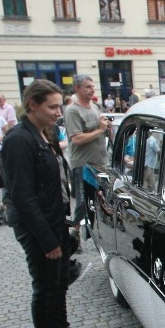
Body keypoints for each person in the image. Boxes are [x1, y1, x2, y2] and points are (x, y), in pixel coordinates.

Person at [2, 79, 102, 328]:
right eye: (52, 106)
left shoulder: (43, 133)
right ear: (32, 105)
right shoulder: (19, 139)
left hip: (54, 221)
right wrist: (48, 241)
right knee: (46, 288)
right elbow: (22, 195)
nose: (59, 111)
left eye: (60, 105)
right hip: (38, 228)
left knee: (59, 287)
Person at [64, 74, 111, 250]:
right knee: (83, 201)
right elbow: (77, 139)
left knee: (103, 199)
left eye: (92, 86)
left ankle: (101, 232)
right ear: (77, 89)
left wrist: (106, 129)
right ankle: (74, 234)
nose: (92, 89)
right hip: (83, 164)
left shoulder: (95, 107)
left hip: (101, 162)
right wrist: (99, 130)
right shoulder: (72, 111)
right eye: (87, 87)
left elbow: (99, 130)